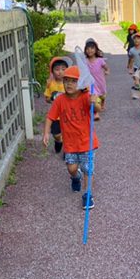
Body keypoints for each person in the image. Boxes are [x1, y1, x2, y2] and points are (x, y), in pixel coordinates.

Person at [42, 65, 101, 210]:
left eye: (74, 81)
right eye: (66, 80)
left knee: (87, 168)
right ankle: (76, 177)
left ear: (81, 84)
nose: (69, 84)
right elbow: (50, 117)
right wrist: (46, 133)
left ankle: (87, 194)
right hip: (70, 143)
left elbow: (97, 109)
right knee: (71, 168)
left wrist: (95, 102)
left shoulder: (86, 97)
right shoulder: (60, 100)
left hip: (87, 142)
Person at [43, 56, 72, 153]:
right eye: (57, 69)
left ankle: (67, 151)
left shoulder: (70, 83)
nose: (60, 72)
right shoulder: (50, 84)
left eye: (63, 69)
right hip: (56, 115)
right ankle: (59, 141)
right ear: (52, 71)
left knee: (68, 134)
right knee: (56, 134)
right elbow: (47, 98)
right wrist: (51, 98)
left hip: (69, 114)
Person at [84, 38, 110, 121]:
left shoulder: (100, 60)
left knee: (102, 95)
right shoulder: (85, 61)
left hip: (100, 83)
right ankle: (96, 113)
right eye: (87, 49)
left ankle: (102, 103)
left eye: (92, 48)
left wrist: (107, 71)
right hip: (91, 84)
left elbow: (106, 68)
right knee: (94, 97)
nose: (90, 50)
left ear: (96, 50)